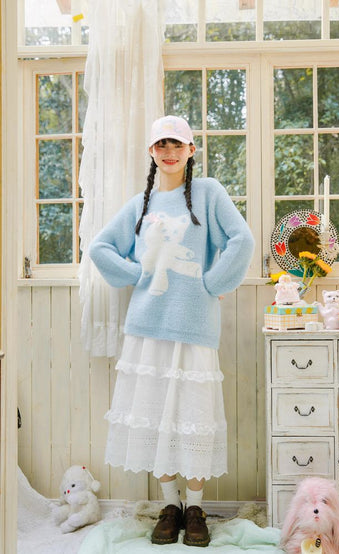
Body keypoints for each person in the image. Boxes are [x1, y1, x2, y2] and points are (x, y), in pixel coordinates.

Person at [89, 115, 255, 547]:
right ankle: (170, 507)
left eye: (177, 144)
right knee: (155, 418)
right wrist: (136, 273)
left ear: (191, 150)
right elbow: (99, 247)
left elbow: (242, 240)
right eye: (161, 144)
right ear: (151, 150)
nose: (169, 151)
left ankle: (196, 509)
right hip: (147, 327)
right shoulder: (139, 205)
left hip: (195, 326)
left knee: (194, 420)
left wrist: (212, 283)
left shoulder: (208, 193)